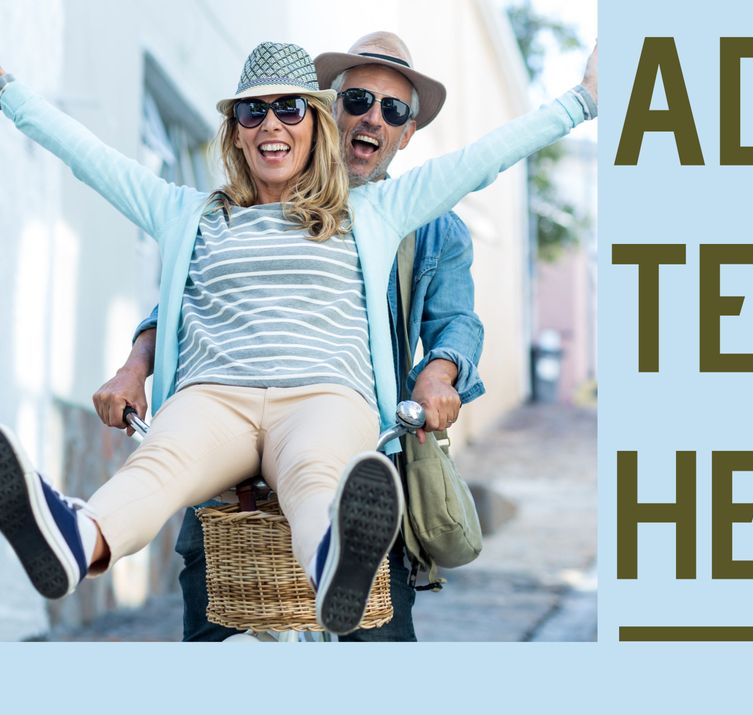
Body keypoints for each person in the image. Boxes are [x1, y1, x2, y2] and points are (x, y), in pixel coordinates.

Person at [0, 40, 598, 635]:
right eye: (252, 111)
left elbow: (482, 159)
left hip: (323, 396)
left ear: (315, 126)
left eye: (289, 109)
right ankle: (75, 540)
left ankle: (335, 566)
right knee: (158, 466)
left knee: (319, 476)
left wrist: (583, 102)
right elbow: (87, 155)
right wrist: (8, 89)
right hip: (215, 397)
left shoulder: (377, 212)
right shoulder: (188, 214)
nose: (270, 124)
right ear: (235, 131)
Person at [93, 32, 485, 642]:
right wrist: (133, 367)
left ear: (407, 134)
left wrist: (438, 374)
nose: (372, 118)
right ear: (328, 110)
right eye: (357, 99)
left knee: (376, 637)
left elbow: (456, 321)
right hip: (229, 463)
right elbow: (183, 300)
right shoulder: (250, 207)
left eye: (394, 110)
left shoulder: (425, 221)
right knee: (215, 635)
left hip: (352, 451)